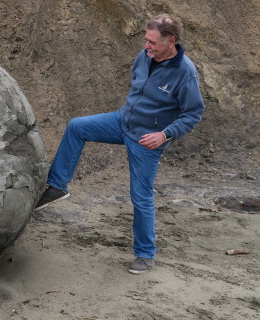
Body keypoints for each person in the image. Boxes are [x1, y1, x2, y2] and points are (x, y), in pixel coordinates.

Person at [34, 14, 204, 274]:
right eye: (146, 40)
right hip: (122, 122)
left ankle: (145, 255)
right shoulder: (144, 56)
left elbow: (193, 113)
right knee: (77, 126)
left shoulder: (185, 72)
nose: (146, 46)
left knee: (141, 197)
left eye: (152, 42)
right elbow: (138, 87)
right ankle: (57, 186)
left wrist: (164, 134)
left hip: (147, 140)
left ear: (171, 41)